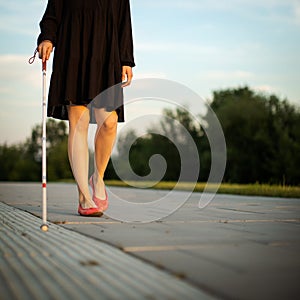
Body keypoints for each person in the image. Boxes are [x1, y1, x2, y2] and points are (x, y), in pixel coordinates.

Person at [36, 0, 135, 216]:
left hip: (107, 53)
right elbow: (53, 13)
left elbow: (123, 21)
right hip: (74, 51)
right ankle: (84, 196)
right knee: (78, 122)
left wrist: (126, 59)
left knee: (108, 122)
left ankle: (97, 178)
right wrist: (47, 37)